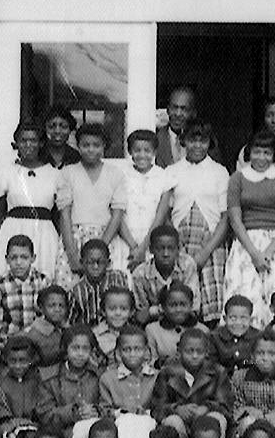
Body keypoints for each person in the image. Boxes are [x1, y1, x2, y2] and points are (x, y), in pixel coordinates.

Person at [224, 130, 275, 326]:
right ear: (249, 152)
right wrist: (254, 253)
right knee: (245, 295)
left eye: (267, 153)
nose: (262, 158)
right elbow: (235, 219)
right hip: (247, 244)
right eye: (257, 152)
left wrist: (269, 251)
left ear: (274, 154)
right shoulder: (237, 178)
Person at [164, 119, 232, 323]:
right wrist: (177, 247)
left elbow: (225, 217)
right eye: (192, 140)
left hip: (210, 243)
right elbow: (165, 212)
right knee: (181, 295)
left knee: (210, 299)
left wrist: (205, 252)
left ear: (209, 143)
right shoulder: (172, 171)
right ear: (184, 141)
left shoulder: (219, 172)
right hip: (180, 242)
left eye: (202, 141)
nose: (197, 146)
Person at [0, 122, 65, 283]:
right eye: (23, 140)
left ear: (41, 143)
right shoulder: (6, 172)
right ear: (17, 144)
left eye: (33, 140)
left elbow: (59, 216)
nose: (28, 145)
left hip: (44, 233)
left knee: (44, 279)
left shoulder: (55, 175)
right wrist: (4, 239)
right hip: (13, 230)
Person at [58, 122, 129, 274]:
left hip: (105, 238)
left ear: (104, 146)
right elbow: (64, 215)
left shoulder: (115, 174)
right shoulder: (68, 173)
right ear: (78, 146)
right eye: (85, 145)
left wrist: (100, 250)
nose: (91, 149)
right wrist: (72, 254)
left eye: (96, 145)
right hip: (75, 239)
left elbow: (117, 215)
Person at [154, 330, 227, 438]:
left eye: (199, 351)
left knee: (218, 419)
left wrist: (207, 408)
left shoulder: (217, 372)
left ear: (206, 352)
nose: (194, 356)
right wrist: (176, 409)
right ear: (179, 350)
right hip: (180, 422)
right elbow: (157, 407)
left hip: (206, 421)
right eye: (189, 351)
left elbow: (226, 406)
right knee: (173, 422)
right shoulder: (167, 372)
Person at [118, 130, 176, 270]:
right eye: (137, 150)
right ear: (130, 151)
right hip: (125, 240)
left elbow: (161, 216)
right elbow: (117, 214)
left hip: (151, 241)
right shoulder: (121, 175)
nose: (142, 155)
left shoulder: (163, 177)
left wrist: (144, 247)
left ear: (154, 152)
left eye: (147, 150)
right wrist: (133, 246)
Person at [130, 224, 195, 326]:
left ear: (178, 249)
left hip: (185, 323)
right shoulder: (140, 274)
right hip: (154, 326)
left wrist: (157, 310)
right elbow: (141, 315)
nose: (165, 254)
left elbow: (194, 307)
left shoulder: (187, 265)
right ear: (151, 249)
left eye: (171, 248)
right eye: (160, 248)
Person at [207, 295, 261, 374]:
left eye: (243, 318)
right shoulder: (214, 337)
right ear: (225, 319)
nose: (238, 323)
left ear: (251, 320)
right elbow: (211, 363)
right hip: (222, 380)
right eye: (233, 318)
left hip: (250, 381)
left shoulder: (258, 337)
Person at [153, 85, 197, 166]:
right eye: (174, 107)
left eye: (184, 109)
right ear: (168, 109)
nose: (178, 114)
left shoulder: (202, 141)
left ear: (193, 113)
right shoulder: (155, 139)